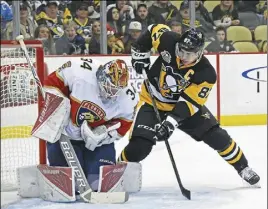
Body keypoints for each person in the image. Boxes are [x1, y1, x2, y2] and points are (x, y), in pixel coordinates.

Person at [118, 24, 260, 186]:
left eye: (189, 54)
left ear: (199, 53)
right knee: (139, 147)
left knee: (217, 136)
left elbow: (188, 104)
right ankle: (115, 171)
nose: (183, 57)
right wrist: (139, 54)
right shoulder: (168, 40)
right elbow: (153, 29)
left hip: (180, 107)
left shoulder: (206, 73)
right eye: (181, 51)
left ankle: (243, 168)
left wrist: (170, 123)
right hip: (151, 100)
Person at [42, 58, 139, 191]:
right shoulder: (79, 73)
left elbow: (123, 127)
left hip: (96, 144)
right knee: (71, 186)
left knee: (98, 184)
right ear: (103, 77)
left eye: (117, 90)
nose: (112, 93)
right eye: (110, 87)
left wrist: (104, 134)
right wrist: (59, 109)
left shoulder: (129, 98)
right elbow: (49, 85)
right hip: (65, 136)